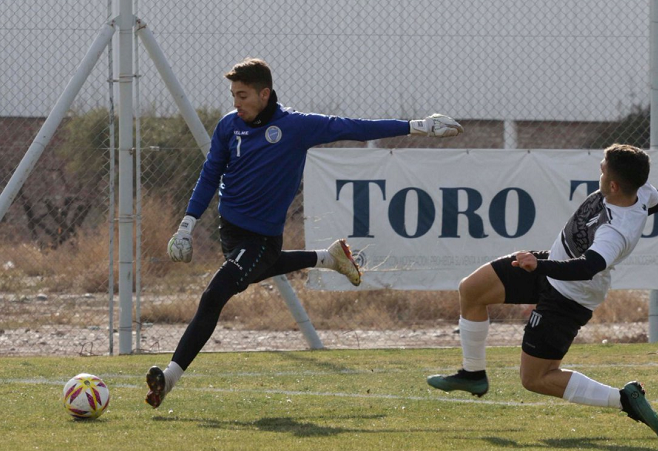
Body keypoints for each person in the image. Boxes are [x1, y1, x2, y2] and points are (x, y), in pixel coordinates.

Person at [146, 57, 464, 408]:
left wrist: (417, 126)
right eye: (233, 95)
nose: (236, 104)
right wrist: (187, 225)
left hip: (261, 237)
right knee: (255, 270)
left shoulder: (296, 126)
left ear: (265, 94)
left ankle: (170, 377)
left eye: (243, 96)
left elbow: (354, 127)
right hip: (231, 233)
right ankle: (327, 258)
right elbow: (210, 175)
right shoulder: (227, 127)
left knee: (214, 295)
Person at [427, 144, 658, 438]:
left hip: (570, 293)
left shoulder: (615, 232)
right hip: (552, 265)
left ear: (614, 185)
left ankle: (623, 399)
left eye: (603, 168)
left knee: (536, 379)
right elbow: (657, 203)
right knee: (472, 290)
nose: (600, 170)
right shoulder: (641, 191)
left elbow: (586, 268)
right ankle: (473, 374)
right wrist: (541, 265)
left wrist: (538, 266)